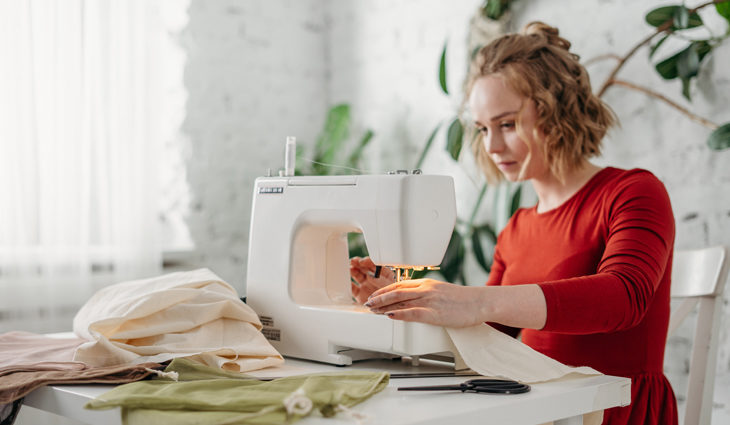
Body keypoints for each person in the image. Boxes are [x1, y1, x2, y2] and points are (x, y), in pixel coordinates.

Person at [350, 22, 678, 425]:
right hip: (543, 406)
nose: (491, 146)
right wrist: (405, 302)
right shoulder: (517, 228)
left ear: (559, 113)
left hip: (614, 410)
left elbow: (624, 297)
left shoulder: (633, 192)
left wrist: (474, 300)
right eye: (484, 129)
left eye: (507, 124)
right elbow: (488, 334)